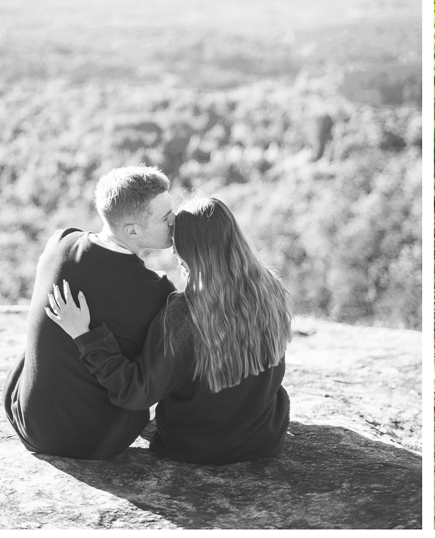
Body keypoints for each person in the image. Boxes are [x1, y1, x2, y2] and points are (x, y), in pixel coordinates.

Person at [45, 196, 292, 464]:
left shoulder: (183, 314)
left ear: (183, 251)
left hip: (195, 448)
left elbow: (136, 392)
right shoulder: (271, 289)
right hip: (264, 440)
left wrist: (86, 336)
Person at [3, 165, 177, 459]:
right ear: (133, 229)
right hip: (100, 440)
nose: (176, 220)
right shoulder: (156, 292)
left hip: (29, 423)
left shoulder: (60, 243)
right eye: (166, 217)